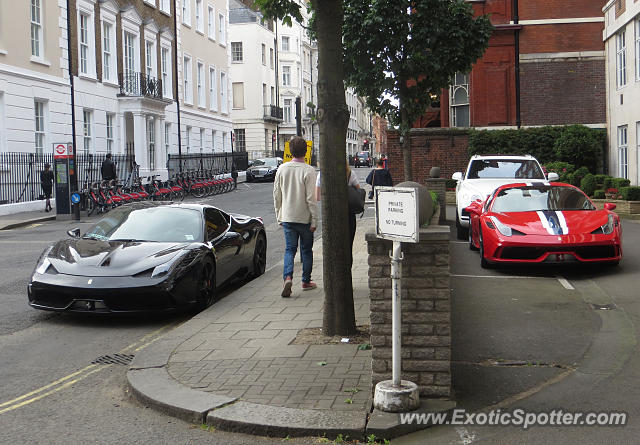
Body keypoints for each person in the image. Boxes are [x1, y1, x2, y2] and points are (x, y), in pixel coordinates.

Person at [273, 136, 318, 297]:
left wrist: (279, 216)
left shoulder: (282, 169)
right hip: (304, 218)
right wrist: (314, 220)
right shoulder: (309, 171)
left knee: (289, 250)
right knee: (306, 250)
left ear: (290, 151)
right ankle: (306, 281)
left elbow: (277, 195)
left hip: (288, 217)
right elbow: (311, 199)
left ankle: (287, 277)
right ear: (305, 151)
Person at [315, 160, 361, 265]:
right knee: (348, 245)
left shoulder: (322, 174)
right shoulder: (350, 173)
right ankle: (347, 266)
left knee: (334, 245)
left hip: (331, 214)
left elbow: (317, 197)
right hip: (348, 213)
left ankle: (336, 266)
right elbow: (359, 191)